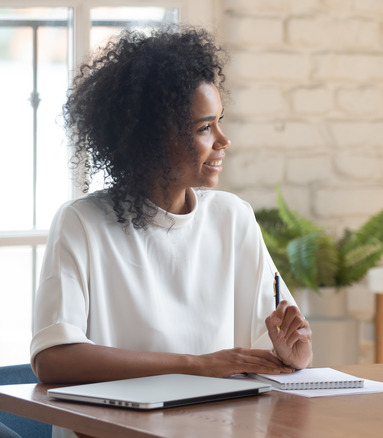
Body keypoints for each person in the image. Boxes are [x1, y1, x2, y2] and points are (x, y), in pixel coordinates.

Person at [31, 25, 312, 391]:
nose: (224, 140)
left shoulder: (232, 218)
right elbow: (53, 360)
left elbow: (269, 348)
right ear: (154, 140)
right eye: (204, 128)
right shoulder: (82, 223)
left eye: (219, 122)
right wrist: (196, 366)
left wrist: (296, 355)